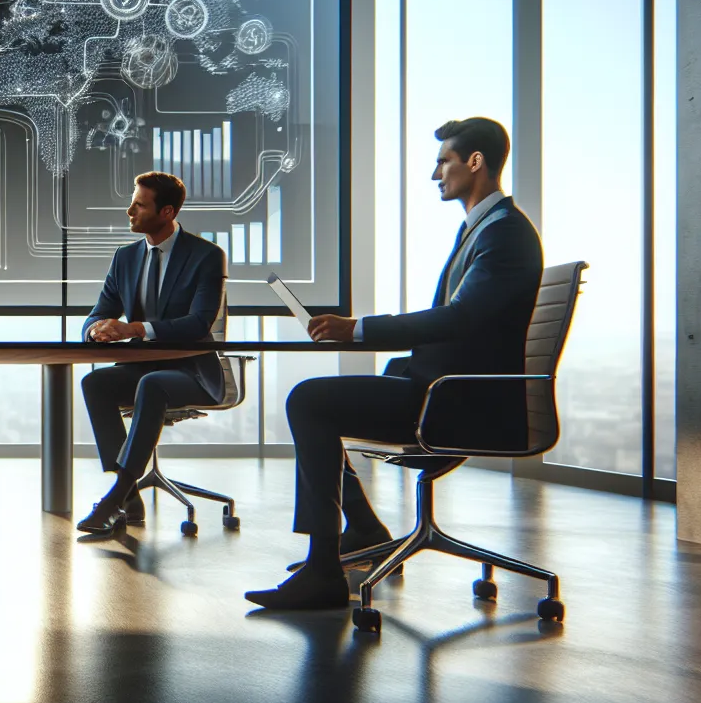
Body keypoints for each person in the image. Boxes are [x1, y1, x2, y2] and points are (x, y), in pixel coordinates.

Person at [246, 117, 542, 610]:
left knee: (308, 399)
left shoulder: (505, 234)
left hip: (464, 404)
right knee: (321, 400)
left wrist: (358, 328)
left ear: (475, 162)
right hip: (446, 391)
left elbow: (460, 318)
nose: (435, 175)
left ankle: (326, 569)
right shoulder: (486, 229)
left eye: (443, 161)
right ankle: (361, 527)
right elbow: (463, 327)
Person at [76, 171, 228, 536]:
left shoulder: (206, 256)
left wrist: (136, 328)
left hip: (191, 372)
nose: (130, 210)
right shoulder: (125, 258)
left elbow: (198, 323)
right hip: (142, 366)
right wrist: (97, 329)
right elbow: (100, 311)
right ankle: (128, 494)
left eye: (140, 204)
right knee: (96, 383)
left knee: (153, 384)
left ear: (167, 212)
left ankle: (115, 498)